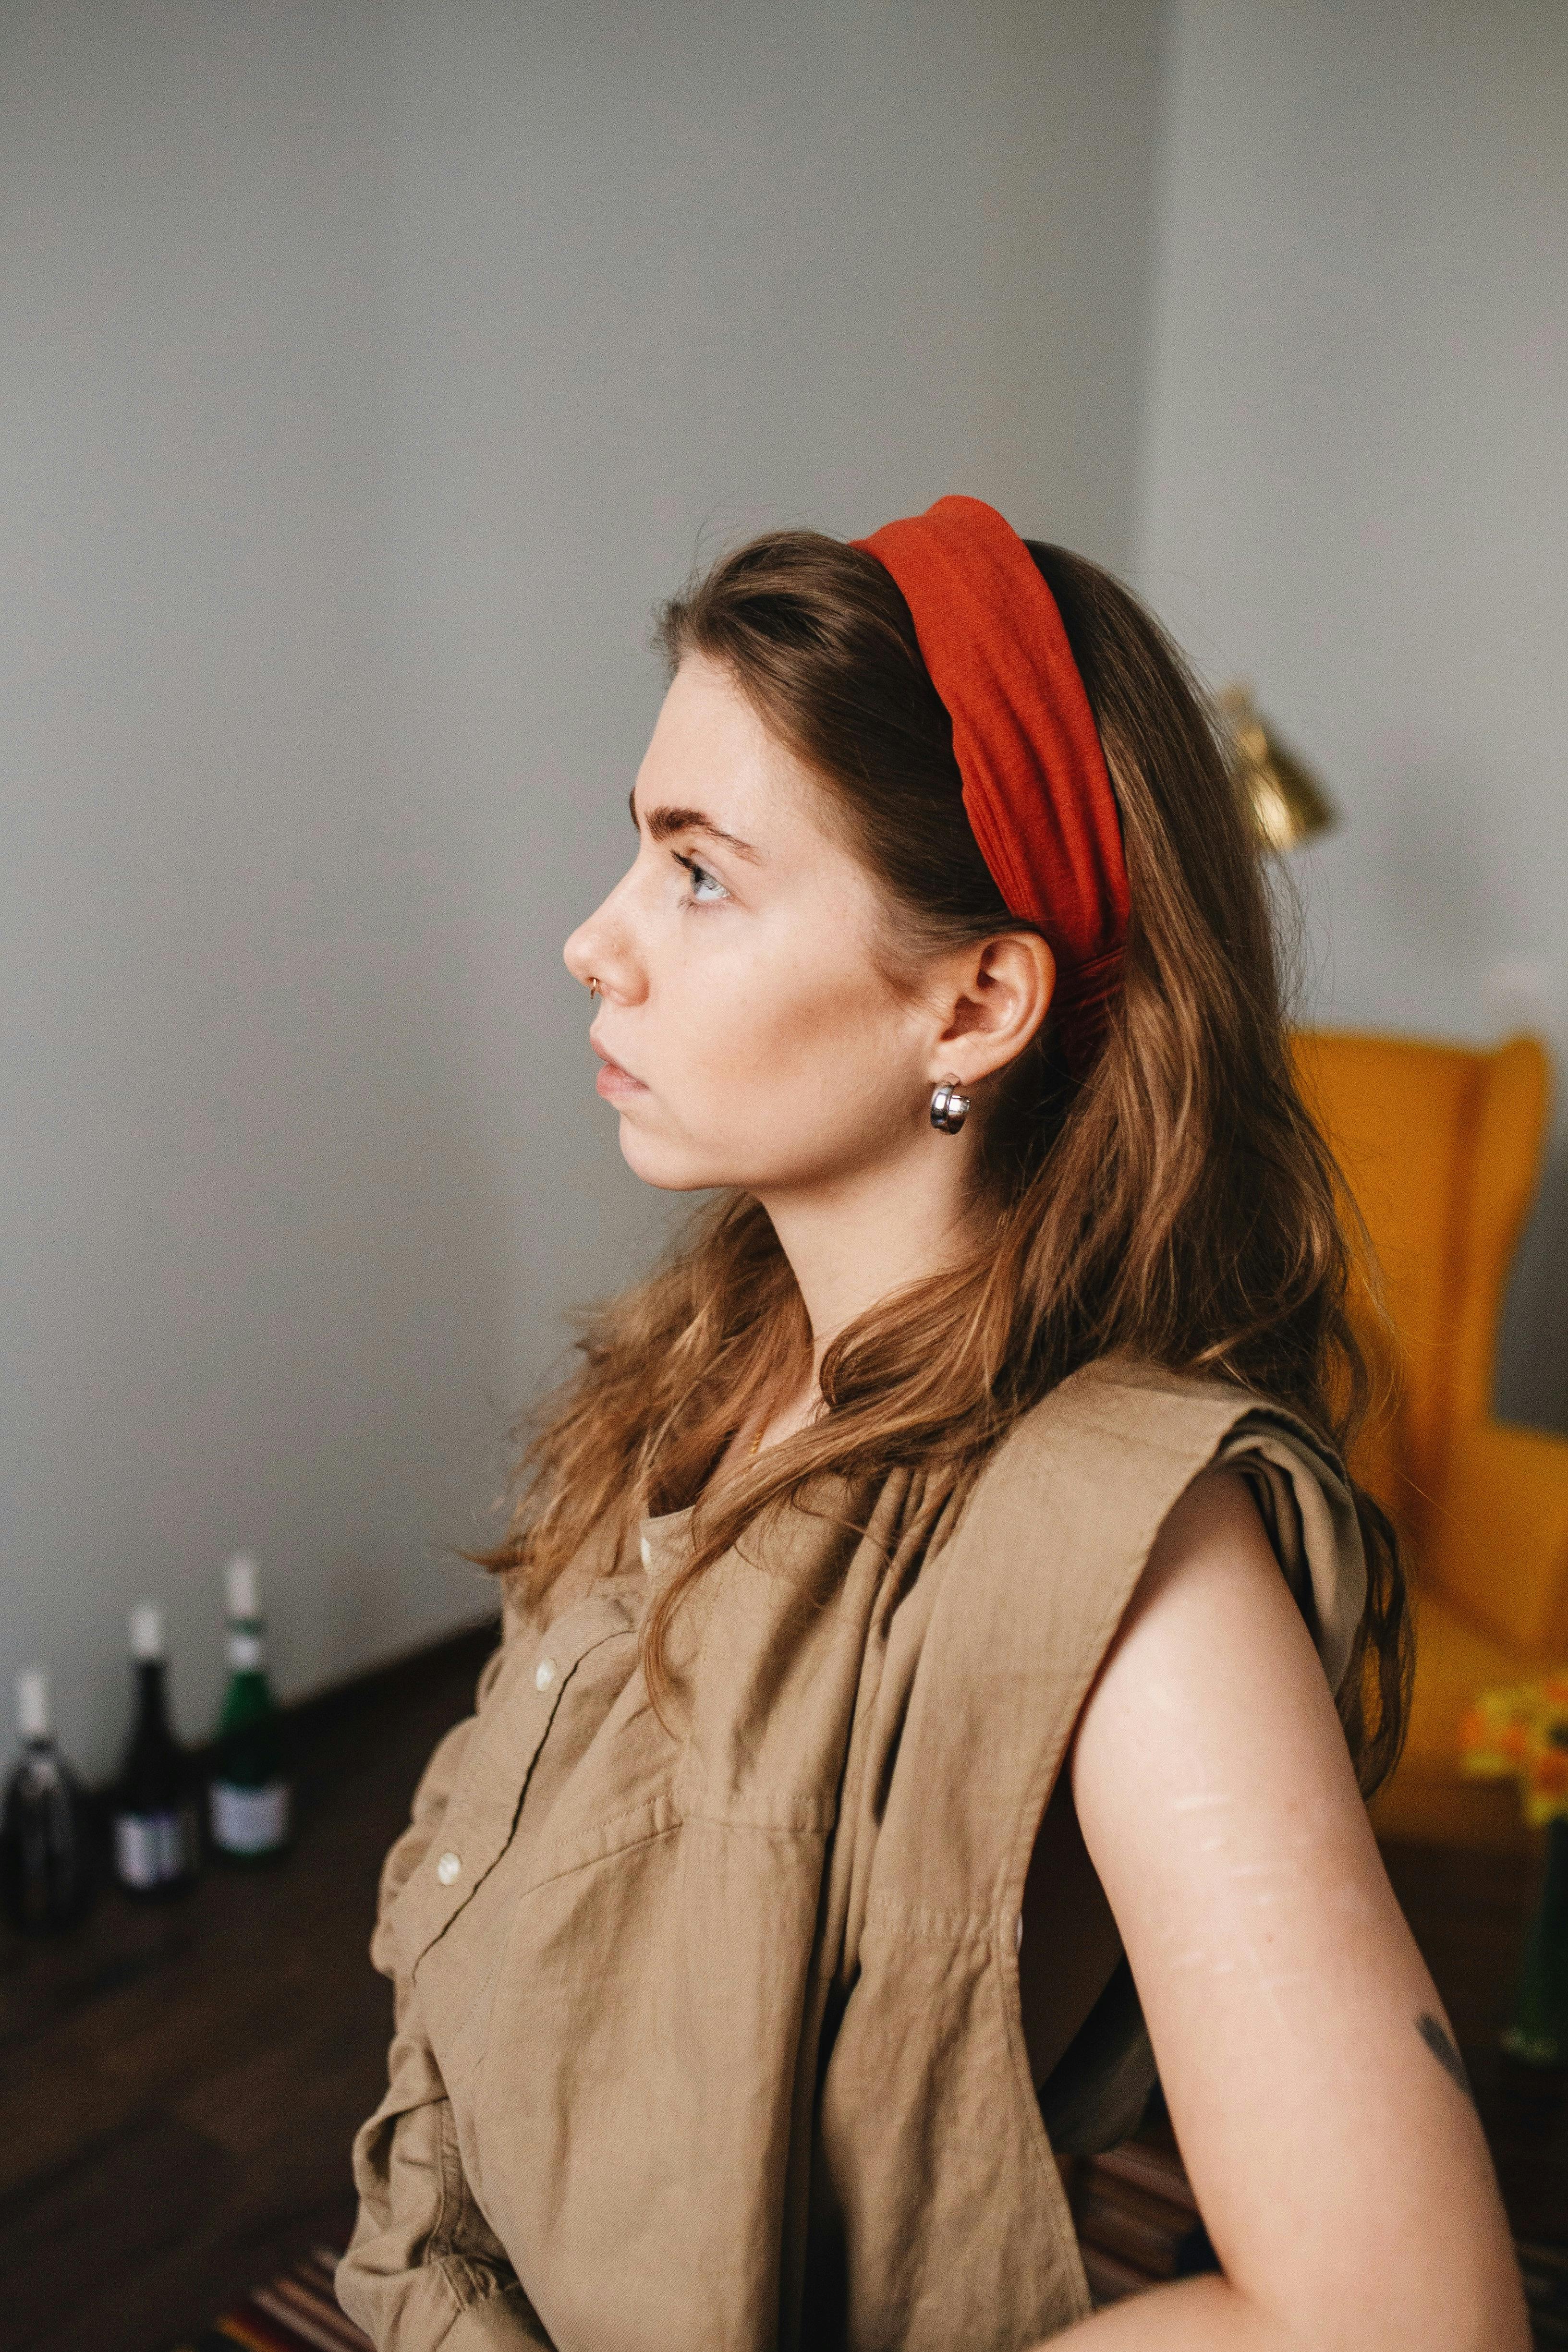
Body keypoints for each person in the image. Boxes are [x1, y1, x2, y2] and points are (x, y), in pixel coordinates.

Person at [338, 497, 1527, 2351]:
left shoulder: (1126, 1549)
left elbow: (1395, 2323)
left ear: (973, 1000)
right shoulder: (707, 1351)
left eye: (700, 871)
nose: (593, 940)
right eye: (632, 852)